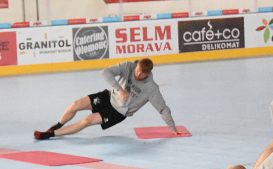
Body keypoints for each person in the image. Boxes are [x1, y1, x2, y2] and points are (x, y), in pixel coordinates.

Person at [34, 58, 182, 140]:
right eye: (136, 70)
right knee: (75, 104)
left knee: (86, 120)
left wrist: (173, 128)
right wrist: (120, 89)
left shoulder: (152, 88)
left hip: (117, 112)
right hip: (109, 96)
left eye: (140, 74)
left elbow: (163, 108)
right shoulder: (129, 66)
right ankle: (57, 126)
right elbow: (106, 72)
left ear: (147, 74)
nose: (136, 74)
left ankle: (49, 135)